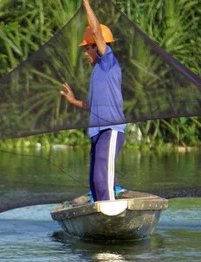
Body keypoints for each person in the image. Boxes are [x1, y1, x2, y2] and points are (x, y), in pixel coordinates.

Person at [60, 0, 126, 202]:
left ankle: (109, 211)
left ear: (94, 47)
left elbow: (97, 32)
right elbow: (94, 108)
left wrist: (85, 3)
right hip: (97, 131)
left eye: (86, 48)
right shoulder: (98, 72)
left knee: (101, 177)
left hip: (110, 129)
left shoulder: (108, 61)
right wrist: (74, 102)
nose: (85, 53)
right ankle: (99, 210)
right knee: (95, 180)